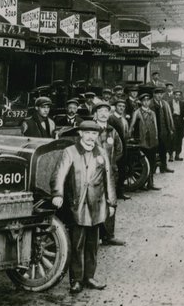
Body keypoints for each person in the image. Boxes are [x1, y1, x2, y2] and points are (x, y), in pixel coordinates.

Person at [50, 120, 116, 294]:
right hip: (77, 205)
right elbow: (58, 175)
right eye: (87, 133)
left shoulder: (101, 152)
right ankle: (76, 280)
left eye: (94, 134)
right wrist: (57, 194)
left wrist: (111, 202)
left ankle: (89, 277)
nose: (90, 137)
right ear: (80, 134)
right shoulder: (70, 152)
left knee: (93, 244)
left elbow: (109, 178)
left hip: (97, 206)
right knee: (76, 244)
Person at [92, 100, 125, 247]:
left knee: (111, 201)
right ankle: (95, 235)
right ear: (95, 114)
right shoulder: (91, 131)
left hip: (110, 173)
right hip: (94, 174)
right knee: (94, 201)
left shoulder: (112, 131)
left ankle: (109, 236)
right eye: (100, 112)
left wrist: (110, 164)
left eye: (106, 111)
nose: (104, 114)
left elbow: (119, 149)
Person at [128, 88, 161, 191]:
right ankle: (142, 183)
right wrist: (129, 136)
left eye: (148, 100)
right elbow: (131, 126)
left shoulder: (152, 113)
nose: (146, 102)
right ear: (141, 102)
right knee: (143, 163)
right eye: (144, 101)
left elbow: (156, 127)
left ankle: (150, 183)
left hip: (152, 141)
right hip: (142, 141)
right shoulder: (137, 112)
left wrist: (156, 139)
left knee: (152, 162)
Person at [108, 100, 132, 200]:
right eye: (119, 106)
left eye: (123, 106)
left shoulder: (124, 120)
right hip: (114, 148)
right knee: (113, 170)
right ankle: (112, 193)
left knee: (122, 170)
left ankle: (120, 192)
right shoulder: (111, 119)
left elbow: (126, 134)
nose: (121, 108)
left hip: (123, 147)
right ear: (115, 107)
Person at [152, 87, 176, 172]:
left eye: (161, 94)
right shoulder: (150, 104)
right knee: (154, 150)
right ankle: (153, 168)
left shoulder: (165, 103)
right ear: (154, 94)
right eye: (158, 94)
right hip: (154, 131)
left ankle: (163, 167)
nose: (159, 96)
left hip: (164, 131)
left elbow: (169, 117)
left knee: (164, 149)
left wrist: (170, 129)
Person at [170, 89, 184, 161]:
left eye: (179, 95)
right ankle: (171, 155)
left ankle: (177, 155)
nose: (177, 96)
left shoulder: (182, 103)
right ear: (173, 95)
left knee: (179, 138)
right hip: (172, 121)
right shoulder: (169, 103)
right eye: (176, 95)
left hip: (180, 122)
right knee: (172, 138)